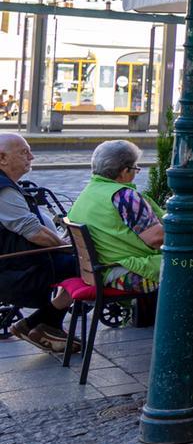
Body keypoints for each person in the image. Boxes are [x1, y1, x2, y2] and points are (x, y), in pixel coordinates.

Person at [0, 135, 77, 353]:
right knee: (85, 266)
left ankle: (35, 324)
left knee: (78, 263)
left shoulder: (6, 184)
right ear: (2, 158)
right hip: (17, 269)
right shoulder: (3, 189)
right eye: (24, 152)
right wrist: (66, 247)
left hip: (19, 262)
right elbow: (32, 231)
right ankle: (43, 323)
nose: (31, 157)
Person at [69, 140, 165, 294]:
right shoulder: (124, 196)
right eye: (135, 168)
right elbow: (155, 239)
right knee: (191, 266)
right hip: (124, 272)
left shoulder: (89, 192)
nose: (136, 172)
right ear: (124, 171)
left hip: (99, 269)